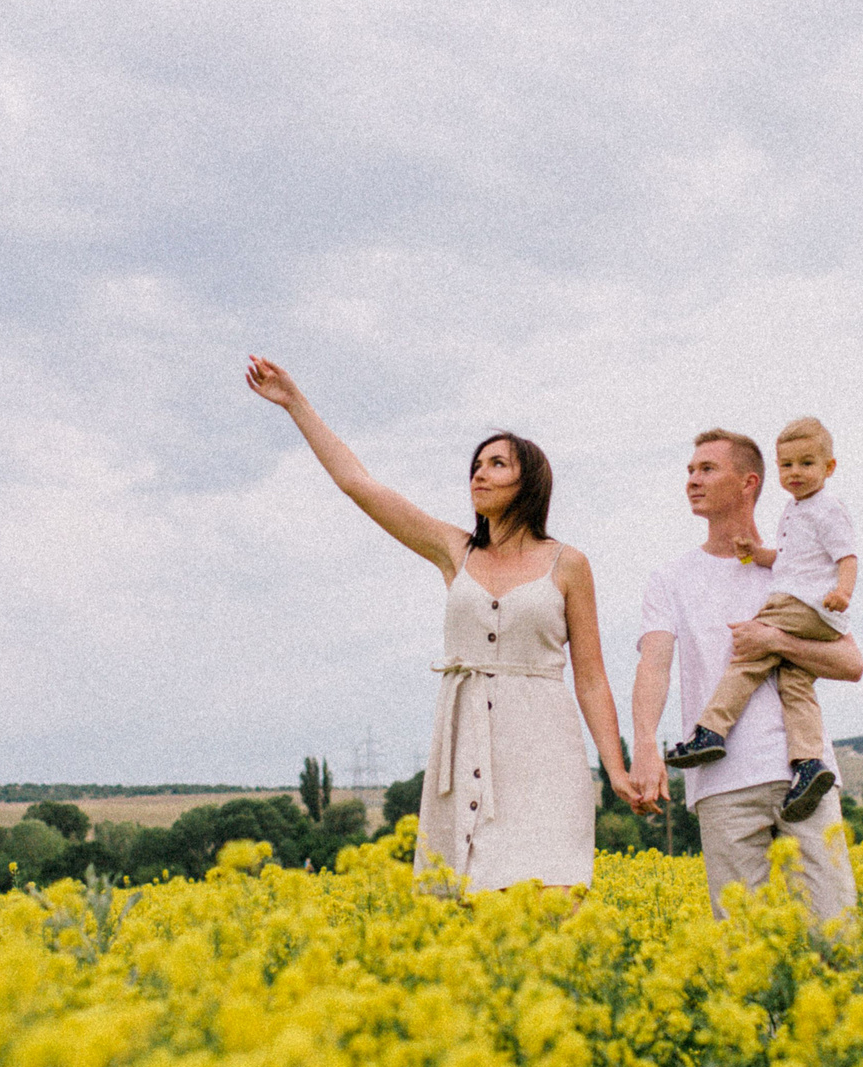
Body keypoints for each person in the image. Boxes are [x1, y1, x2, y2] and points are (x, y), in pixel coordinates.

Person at [246, 355, 639, 892]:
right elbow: (358, 484)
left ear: (530, 481)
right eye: (476, 464)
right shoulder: (455, 551)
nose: (479, 473)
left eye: (497, 464)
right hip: (465, 745)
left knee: (555, 896)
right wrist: (295, 403)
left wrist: (615, 769)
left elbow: (591, 677)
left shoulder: (568, 564)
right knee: (468, 902)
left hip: (545, 749)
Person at [631, 428, 863, 939]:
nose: (692, 480)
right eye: (690, 470)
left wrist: (774, 641)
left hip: (806, 777)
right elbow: (654, 665)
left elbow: (851, 663)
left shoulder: (794, 568)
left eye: (707, 469)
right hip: (722, 784)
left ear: (748, 482)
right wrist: (645, 744)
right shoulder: (670, 578)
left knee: (836, 940)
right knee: (745, 949)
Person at [661, 417, 857, 823]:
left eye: (806, 464)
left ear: (829, 467)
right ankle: (808, 763)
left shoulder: (826, 508)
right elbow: (787, 561)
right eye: (787, 465)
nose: (795, 473)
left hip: (805, 603)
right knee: (795, 683)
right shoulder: (796, 511)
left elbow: (847, 555)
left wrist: (843, 592)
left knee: (750, 652)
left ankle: (711, 730)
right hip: (813, 606)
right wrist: (757, 553)